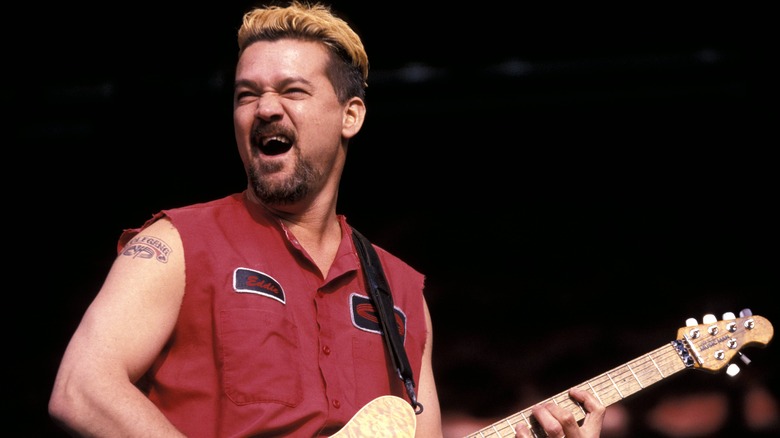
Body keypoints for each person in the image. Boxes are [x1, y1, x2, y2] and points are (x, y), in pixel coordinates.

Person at [48, 2, 606, 437]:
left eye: (292, 90)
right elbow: (82, 389)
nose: (266, 109)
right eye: (247, 95)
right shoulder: (177, 243)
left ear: (350, 115)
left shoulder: (403, 293)